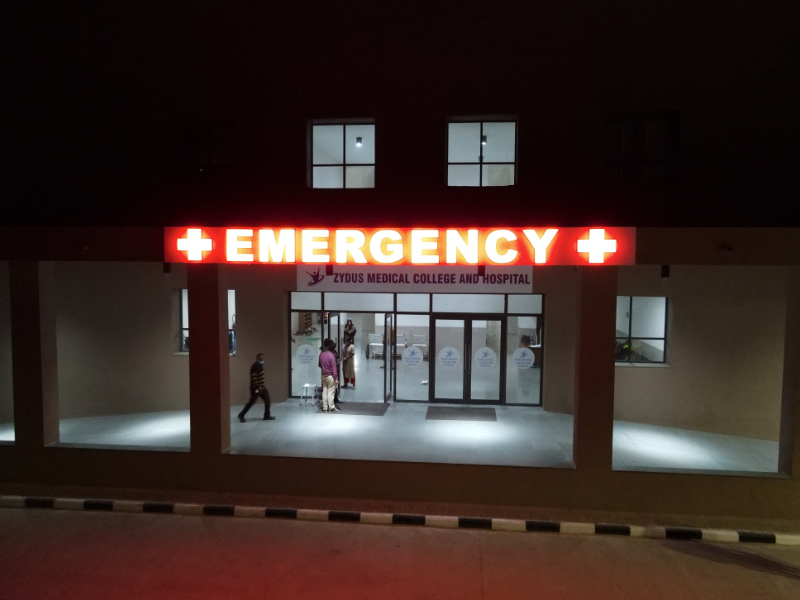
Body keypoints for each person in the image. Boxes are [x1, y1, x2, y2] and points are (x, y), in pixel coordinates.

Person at [238, 353, 275, 422]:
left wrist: (262, 386)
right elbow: (254, 377)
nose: (261, 360)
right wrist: (258, 386)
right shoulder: (255, 366)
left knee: (267, 401)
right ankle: (241, 415)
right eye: (260, 358)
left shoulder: (260, 366)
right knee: (251, 402)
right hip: (256, 388)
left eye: (262, 358)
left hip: (263, 388)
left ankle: (267, 415)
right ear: (257, 359)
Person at [318, 339, 340, 412]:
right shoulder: (332, 356)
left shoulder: (321, 354)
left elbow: (319, 365)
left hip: (323, 376)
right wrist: (336, 379)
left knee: (324, 391)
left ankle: (325, 407)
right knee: (331, 392)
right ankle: (331, 407)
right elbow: (334, 369)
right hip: (330, 377)